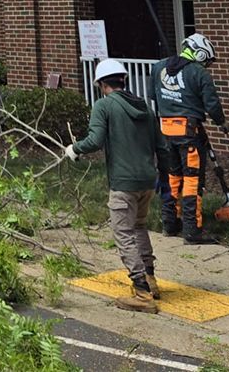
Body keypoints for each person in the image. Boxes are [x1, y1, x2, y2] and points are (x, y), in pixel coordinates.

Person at [66, 58, 164, 312]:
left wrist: (74, 149)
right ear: (124, 79)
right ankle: (151, 278)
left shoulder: (104, 106)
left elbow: (95, 140)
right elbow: (161, 145)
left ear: (100, 84)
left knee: (124, 234)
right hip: (147, 180)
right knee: (139, 226)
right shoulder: (144, 106)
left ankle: (142, 293)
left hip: (123, 183)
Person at [154, 31, 228, 244]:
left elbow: (154, 97)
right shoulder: (198, 73)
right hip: (189, 135)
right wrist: (221, 122)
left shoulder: (159, 67)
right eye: (208, 61)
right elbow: (212, 104)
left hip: (166, 132)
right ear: (202, 54)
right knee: (192, 180)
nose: (208, 66)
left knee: (172, 178)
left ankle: (170, 223)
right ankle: (192, 230)